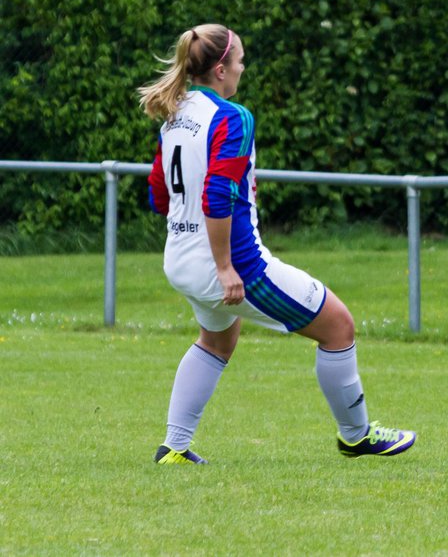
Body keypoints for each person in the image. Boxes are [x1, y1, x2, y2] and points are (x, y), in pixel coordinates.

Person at [137, 23, 415, 464]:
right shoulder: (232, 116)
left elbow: (158, 191)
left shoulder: (175, 112)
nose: (244, 68)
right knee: (338, 326)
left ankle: (174, 447)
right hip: (234, 266)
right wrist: (226, 267)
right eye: (241, 61)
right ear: (222, 69)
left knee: (216, 342)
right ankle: (356, 436)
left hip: (180, 259)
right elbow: (218, 195)